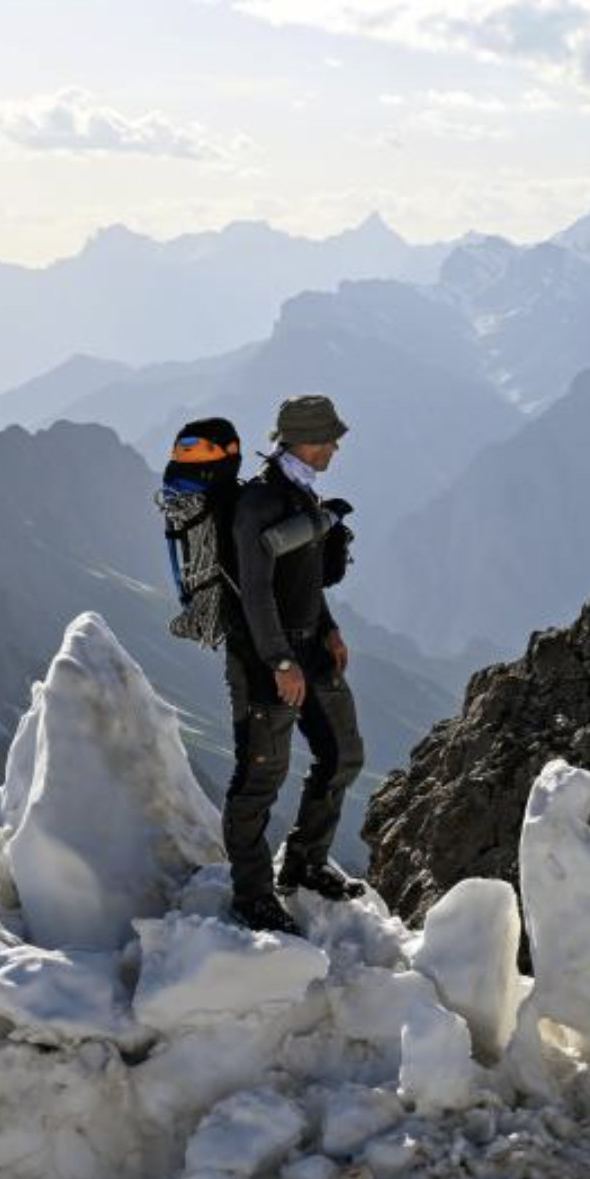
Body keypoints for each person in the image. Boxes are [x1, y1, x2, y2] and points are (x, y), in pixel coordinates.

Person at [223, 393, 367, 933]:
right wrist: (281, 661)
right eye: (329, 437)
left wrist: (327, 628)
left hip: (309, 647)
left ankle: (304, 865)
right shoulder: (258, 504)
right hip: (266, 659)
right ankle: (252, 895)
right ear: (305, 440)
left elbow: (301, 578)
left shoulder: (303, 494)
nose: (334, 446)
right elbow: (256, 594)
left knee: (343, 754)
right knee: (260, 779)